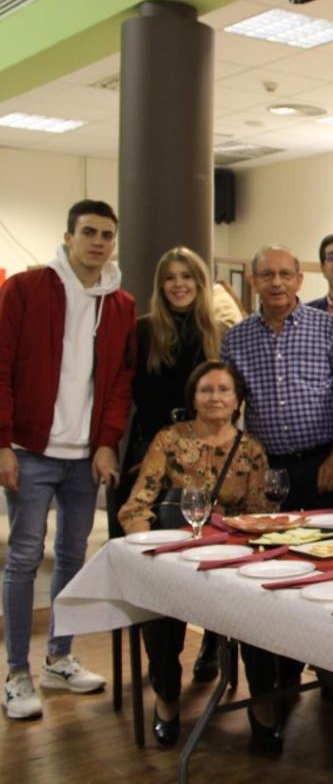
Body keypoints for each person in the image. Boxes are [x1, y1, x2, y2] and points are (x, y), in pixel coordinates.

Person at [0, 200, 135, 721]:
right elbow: (2, 366)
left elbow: (120, 382)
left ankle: (58, 658)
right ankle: (16, 673)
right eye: (89, 233)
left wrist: (106, 442)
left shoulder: (121, 304)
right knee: (23, 560)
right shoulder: (27, 289)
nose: (98, 242)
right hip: (30, 454)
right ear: (69, 236)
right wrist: (4, 443)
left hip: (85, 459)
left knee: (75, 559)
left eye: (107, 234)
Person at [117, 361, 272, 746]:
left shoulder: (250, 448)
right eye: (206, 390)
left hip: (231, 564)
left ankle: (264, 705)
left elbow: (258, 516)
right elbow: (136, 506)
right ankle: (167, 699)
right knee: (159, 616)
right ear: (193, 397)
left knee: (264, 613)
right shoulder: (169, 440)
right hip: (176, 560)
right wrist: (149, 553)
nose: (215, 397)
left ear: (237, 401)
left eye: (224, 390)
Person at [119, 246, 227, 686]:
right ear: (160, 286)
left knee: (212, 563)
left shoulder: (218, 334)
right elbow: (121, 397)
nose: (179, 284)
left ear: (201, 284)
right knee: (159, 571)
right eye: (170, 278)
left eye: (188, 276)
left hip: (208, 461)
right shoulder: (141, 333)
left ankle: (212, 645)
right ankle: (164, 666)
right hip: (152, 459)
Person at [222, 245, 333, 513]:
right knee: (271, 547)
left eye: (285, 274)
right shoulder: (236, 338)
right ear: (253, 280)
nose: (277, 282)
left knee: (326, 547)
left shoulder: (328, 328)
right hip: (266, 467)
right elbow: (228, 406)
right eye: (267, 274)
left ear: (299, 280)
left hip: (323, 464)